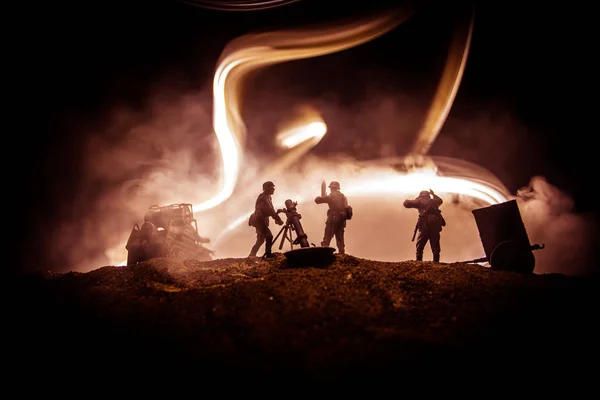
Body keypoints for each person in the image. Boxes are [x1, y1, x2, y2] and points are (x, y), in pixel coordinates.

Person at [403, 189, 446, 262]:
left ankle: (419, 261)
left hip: (424, 226)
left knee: (420, 246)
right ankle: (436, 262)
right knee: (435, 246)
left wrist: (416, 199)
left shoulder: (419, 201)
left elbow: (406, 203)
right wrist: (433, 194)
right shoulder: (434, 201)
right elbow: (440, 200)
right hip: (435, 227)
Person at [248, 181, 284, 258]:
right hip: (259, 220)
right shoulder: (263, 197)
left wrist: (276, 218)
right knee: (269, 236)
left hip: (262, 220)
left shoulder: (268, 197)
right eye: (272, 187)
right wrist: (278, 219)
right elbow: (269, 210)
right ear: (267, 188)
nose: (273, 189)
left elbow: (271, 209)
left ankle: (252, 254)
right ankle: (268, 254)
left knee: (261, 239)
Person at [314, 180, 351, 255]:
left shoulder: (331, 196)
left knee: (327, 236)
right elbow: (347, 208)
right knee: (340, 237)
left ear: (332, 188)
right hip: (342, 219)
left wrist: (321, 196)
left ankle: (324, 254)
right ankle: (342, 254)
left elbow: (318, 201)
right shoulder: (343, 197)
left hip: (333, 218)